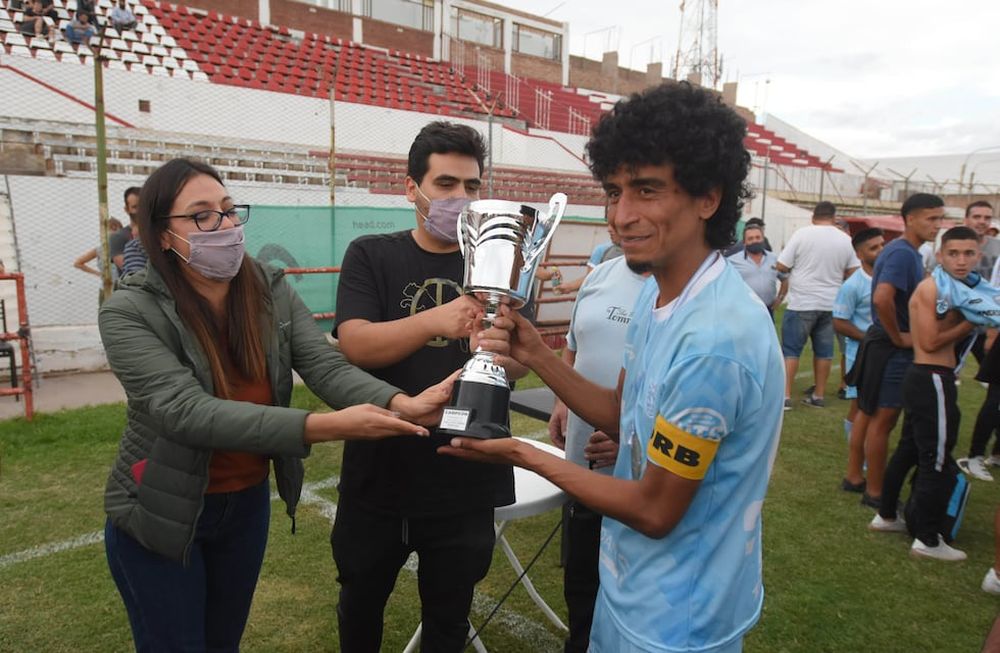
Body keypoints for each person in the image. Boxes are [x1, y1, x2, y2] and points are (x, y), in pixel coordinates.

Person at [441, 82, 784, 653]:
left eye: (647, 190)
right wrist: (536, 354)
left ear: (708, 197)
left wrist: (521, 452)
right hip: (630, 587)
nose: (622, 216)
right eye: (614, 191)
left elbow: (654, 510)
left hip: (679, 620)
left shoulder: (714, 341)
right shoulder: (658, 295)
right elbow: (625, 414)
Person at [99, 158, 455, 651]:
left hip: (245, 504)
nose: (225, 226)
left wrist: (400, 402)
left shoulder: (268, 288)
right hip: (163, 507)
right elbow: (183, 411)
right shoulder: (127, 311)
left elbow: (323, 364)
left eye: (229, 210)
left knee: (223, 643)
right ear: (162, 234)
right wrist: (322, 427)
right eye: (202, 216)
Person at [331, 121, 521, 652]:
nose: (462, 198)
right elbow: (356, 344)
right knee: (360, 604)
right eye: (446, 184)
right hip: (381, 470)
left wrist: (500, 351)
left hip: (465, 473)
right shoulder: (372, 254)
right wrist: (435, 320)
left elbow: (518, 366)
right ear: (411, 188)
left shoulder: (497, 262)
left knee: (449, 618)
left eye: (472, 186)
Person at [547, 248, 648, 653]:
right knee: (581, 581)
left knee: (628, 594)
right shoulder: (600, 275)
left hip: (641, 487)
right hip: (583, 470)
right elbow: (573, 345)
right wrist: (561, 400)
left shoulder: (681, 293)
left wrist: (630, 436)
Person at [869, 226, 981, 561]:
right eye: (954, 253)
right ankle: (928, 539)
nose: (961, 261)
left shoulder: (950, 287)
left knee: (909, 449)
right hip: (932, 376)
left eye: (969, 253)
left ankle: (887, 514)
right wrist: (971, 322)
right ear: (940, 255)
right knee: (937, 456)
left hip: (924, 376)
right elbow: (931, 342)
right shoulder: (935, 288)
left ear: (978, 255)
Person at [847, 193, 944, 510]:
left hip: (880, 343)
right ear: (910, 219)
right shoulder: (902, 253)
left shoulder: (903, 251)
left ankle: (854, 476)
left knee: (866, 411)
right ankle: (876, 492)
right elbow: (882, 298)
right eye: (931, 218)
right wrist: (898, 336)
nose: (937, 225)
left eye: (940, 218)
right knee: (883, 420)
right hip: (890, 347)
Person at [776, 201, 859, 409]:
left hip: (801, 302)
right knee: (824, 352)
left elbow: (781, 265)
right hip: (830, 303)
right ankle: (818, 395)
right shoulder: (845, 239)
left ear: (813, 216)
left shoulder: (802, 234)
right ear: (834, 217)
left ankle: (785, 395)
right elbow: (853, 272)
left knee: (791, 350)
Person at [836, 227, 885, 492]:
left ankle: (867, 454)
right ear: (859, 254)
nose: (880, 251)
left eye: (882, 245)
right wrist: (869, 339)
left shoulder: (888, 278)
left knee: (877, 408)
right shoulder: (853, 285)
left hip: (884, 354)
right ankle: (860, 461)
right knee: (860, 408)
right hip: (862, 356)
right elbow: (839, 321)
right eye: (873, 248)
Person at [546, 222, 624, 296]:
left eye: (613, 224)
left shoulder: (628, 253)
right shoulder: (602, 250)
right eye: (608, 224)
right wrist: (569, 286)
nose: (609, 229)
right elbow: (591, 278)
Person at [726, 222, 785, 315]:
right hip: (743, 311)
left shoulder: (774, 259)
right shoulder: (732, 261)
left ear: (763, 239)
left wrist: (780, 298)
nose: (755, 241)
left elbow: (785, 279)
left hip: (768, 311)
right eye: (750, 239)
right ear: (744, 242)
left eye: (758, 237)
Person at [109, 187, 142, 275]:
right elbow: (131, 269)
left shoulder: (158, 232)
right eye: (135, 207)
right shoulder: (118, 237)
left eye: (143, 205)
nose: (141, 211)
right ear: (127, 209)